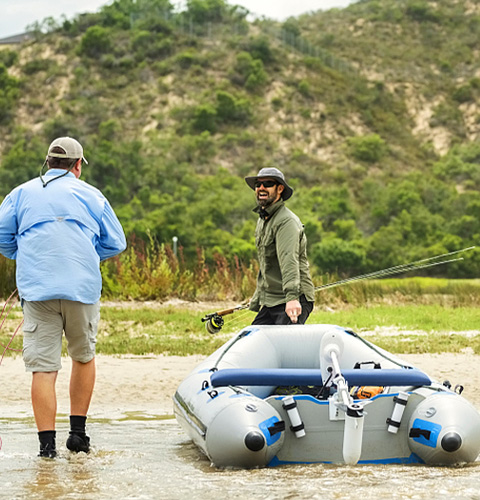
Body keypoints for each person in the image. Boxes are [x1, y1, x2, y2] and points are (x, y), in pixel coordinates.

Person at [0, 137, 126, 458]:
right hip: (81, 289)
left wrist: (25, 254)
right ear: (78, 165)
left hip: (37, 290)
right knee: (83, 356)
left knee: (43, 368)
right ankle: (78, 435)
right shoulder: (93, 196)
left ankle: (47, 449)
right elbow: (116, 242)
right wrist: (84, 254)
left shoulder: (21, 193)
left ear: (48, 162)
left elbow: (3, 237)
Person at [245, 167, 315, 325]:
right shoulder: (263, 219)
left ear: (280, 189)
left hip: (293, 298)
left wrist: (292, 298)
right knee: (256, 341)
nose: (261, 188)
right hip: (272, 300)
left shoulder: (286, 222)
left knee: (287, 347)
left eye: (268, 183)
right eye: (258, 184)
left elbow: (288, 260)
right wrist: (257, 298)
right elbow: (266, 266)